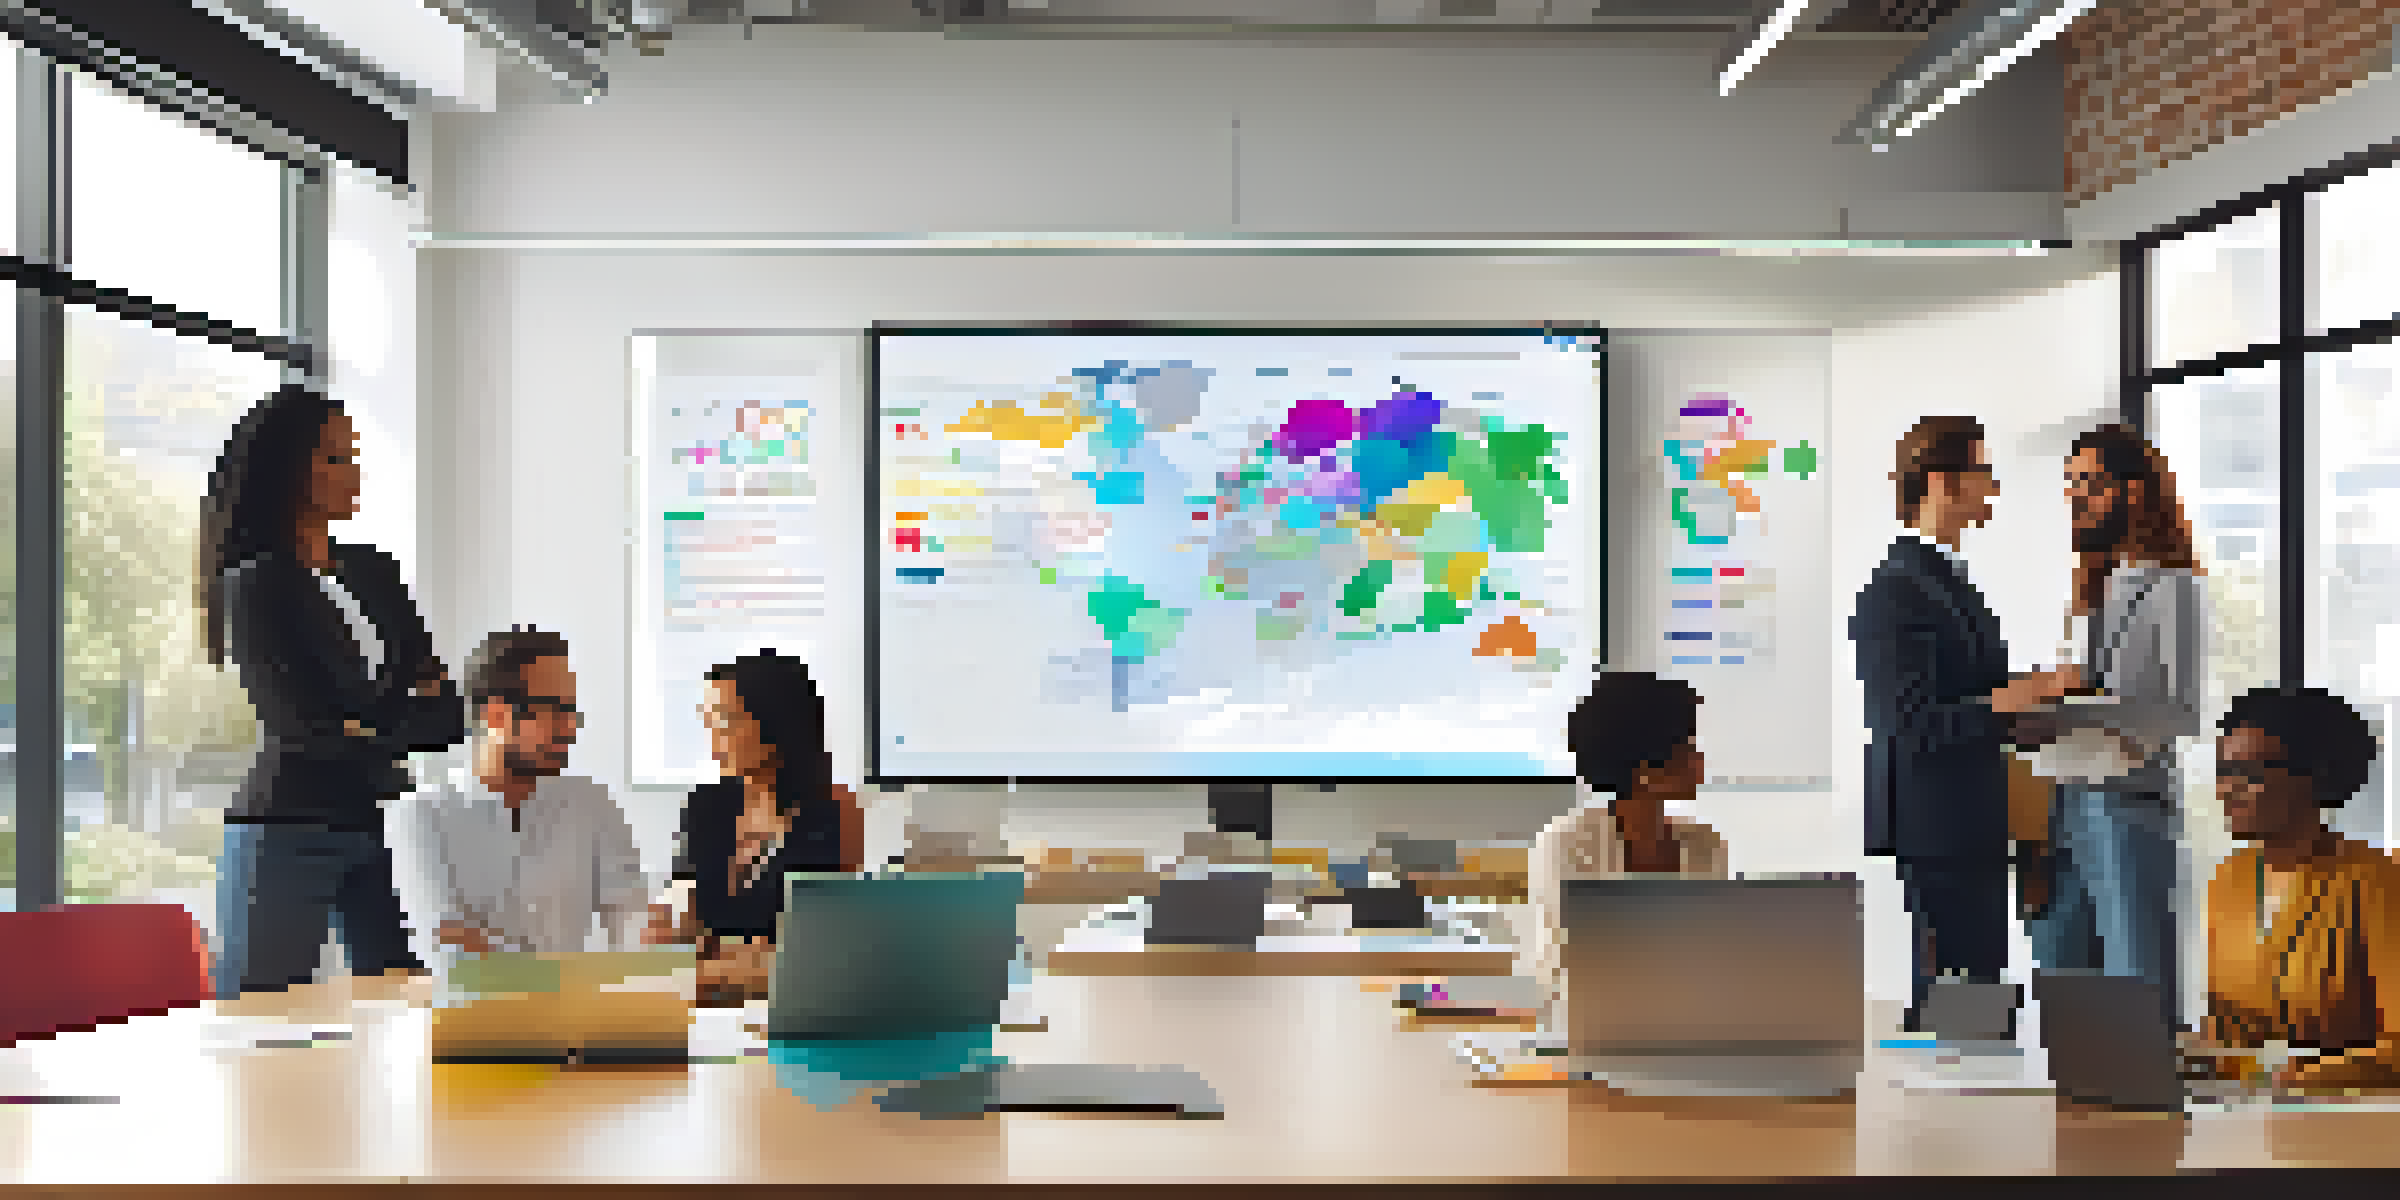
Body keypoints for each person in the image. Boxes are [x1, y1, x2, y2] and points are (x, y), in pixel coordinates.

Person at [201, 385, 466, 998]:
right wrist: (397, 720)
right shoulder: (255, 585)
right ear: (291, 470)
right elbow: (298, 727)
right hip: (288, 826)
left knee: (405, 1004)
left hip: (386, 820)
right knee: (259, 1010)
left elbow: (448, 716)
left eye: (353, 456)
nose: (353, 473)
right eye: (334, 459)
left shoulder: (376, 572)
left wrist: (361, 727)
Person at [1851, 416, 2068, 1034]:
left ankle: (1968, 1086)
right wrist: (2011, 700)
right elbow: (1908, 721)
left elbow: (1969, 695)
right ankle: (1948, 1091)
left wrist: (2028, 704)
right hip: (1936, 823)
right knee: (1960, 1005)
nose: (1993, 488)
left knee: (1978, 994)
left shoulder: (1945, 579)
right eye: (1984, 473)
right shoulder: (1898, 589)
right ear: (1944, 482)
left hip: (1969, 818)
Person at [2020, 425, 2206, 1027]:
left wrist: (2071, 703)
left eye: (2091, 483)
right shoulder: (2090, 589)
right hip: (2064, 800)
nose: (2077, 497)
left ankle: (2150, 1085)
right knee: (2060, 968)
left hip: (2128, 799)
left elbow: (2177, 710)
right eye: (2071, 483)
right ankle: (2078, 1085)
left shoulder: (2174, 587)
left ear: (2134, 490)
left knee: (2136, 976)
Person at [389, 627, 649, 964]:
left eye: (571, 712)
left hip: (572, 999)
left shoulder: (591, 804)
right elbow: (452, 956)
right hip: (480, 1003)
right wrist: (567, 975)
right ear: (496, 716)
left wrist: (654, 938)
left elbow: (634, 926)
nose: (569, 729)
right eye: (554, 711)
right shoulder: (420, 816)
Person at [2193, 685, 2400, 1092]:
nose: (2227, 789)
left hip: (2349, 1109)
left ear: (2314, 777)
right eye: (2223, 770)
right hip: (2250, 1109)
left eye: (2249, 773)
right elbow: (2227, 1030)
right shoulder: (2228, 880)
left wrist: (2307, 1076)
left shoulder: (2374, 881)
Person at [644, 651, 864, 1004]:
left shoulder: (837, 812)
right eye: (708, 721)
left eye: (726, 721)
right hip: (709, 1005)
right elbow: (677, 923)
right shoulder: (706, 805)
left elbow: (827, 953)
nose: (713, 738)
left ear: (776, 724)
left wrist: (725, 962)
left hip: (792, 1005)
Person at [1523, 671, 1731, 1029]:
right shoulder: (1569, 843)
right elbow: (1576, 966)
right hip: (1588, 1027)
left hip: (1684, 1026)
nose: (1699, 759)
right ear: (1645, 768)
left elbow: (1715, 957)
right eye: (1687, 747)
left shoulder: (1705, 845)